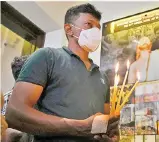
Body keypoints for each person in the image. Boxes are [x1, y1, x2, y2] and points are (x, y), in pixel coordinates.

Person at [6, 3, 119, 142]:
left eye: (98, 27)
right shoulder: (48, 57)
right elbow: (14, 114)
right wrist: (78, 127)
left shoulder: (102, 77)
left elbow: (102, 124)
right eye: (89, 25)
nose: (95, 31)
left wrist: (109, 134)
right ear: (69, 29)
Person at [127, 19, 159, 84]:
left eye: (147, 38)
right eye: (141, 39)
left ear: (150, 44)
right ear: (138, 46)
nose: (144, 39)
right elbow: (131, 88)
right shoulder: (134, 66)